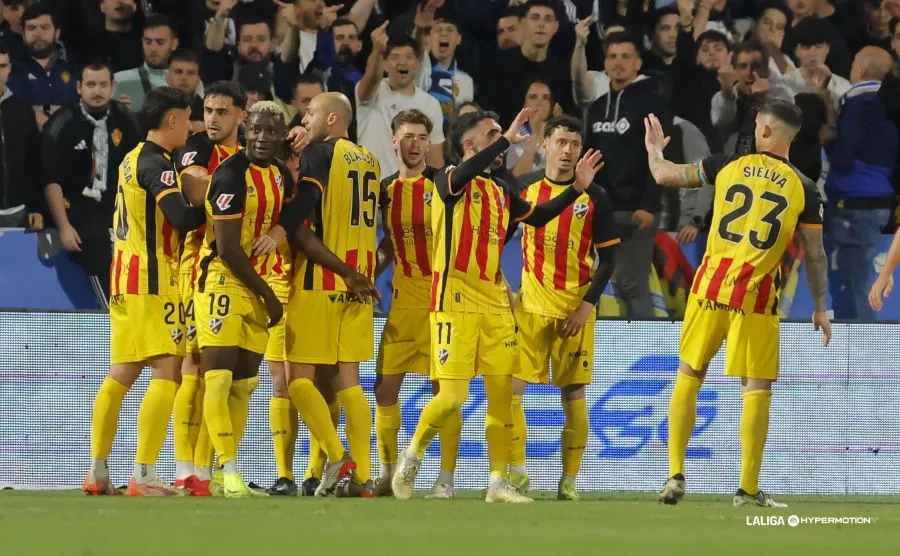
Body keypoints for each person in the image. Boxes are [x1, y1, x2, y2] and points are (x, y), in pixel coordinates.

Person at [390, 106, 600, 503]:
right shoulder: (447, 180)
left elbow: (538, 217)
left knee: (503, 396)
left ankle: (497, 482)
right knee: (452, 397)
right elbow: (469, 170)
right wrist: (506, 138)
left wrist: (576, 189)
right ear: (469, 144)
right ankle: (413, 452)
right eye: (491, 137)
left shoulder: (502, 190)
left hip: (496, 305)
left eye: (499, 137)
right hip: (453, 302)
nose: (502, 145)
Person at [644, 99, 830, 508]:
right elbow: (815, 254)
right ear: (790, 138)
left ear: (763, 130)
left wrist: (655, 150)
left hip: (709, 289)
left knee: (689, 374)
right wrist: (820, 306)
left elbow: (664, 174)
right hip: (757, 298)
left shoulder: (725, 165)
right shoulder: (806, 187)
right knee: (756, 387)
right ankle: (747, 489)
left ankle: (675, 473)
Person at [82, 86, 205, 497]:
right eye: (188, 117)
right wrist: (218, 201)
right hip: (153, 280)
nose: (191, 125)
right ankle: (144, 473)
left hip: (123, 278)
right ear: (172, 119)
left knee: (122, 373)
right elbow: (182, 219)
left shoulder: (132, 157)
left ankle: (98, 471)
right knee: (167, 371)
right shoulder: (158, 164)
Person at [277, 91, 382, 497]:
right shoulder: (370, 160)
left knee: (297, 379)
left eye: (312, 111)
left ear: (334, 119)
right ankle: (363, 478)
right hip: (357, 286)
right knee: (348, 384)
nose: (305, 117)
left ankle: (339, 458)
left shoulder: (320, 155)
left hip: (320, 280)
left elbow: (300, 224)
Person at [509, 115, 618, 501]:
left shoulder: (597, 199)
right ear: (545, 145)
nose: (569, 150)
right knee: (511, 390)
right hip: (532, 306)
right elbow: (496, 238)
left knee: (573, 393)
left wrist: (586, 308)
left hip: (575, 308)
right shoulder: (525, 189)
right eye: (561, 142)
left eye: (575, 143)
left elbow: (609, 260)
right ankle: (518, 472)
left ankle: (569, 479)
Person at [193, 100, 290, 498]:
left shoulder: (281, 174)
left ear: (283, 134)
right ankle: (229, 471)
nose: (263, 138)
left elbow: (295, 212)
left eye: (272, 131)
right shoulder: (230, 175)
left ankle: (218, 472)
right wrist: (268, 295)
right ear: (246, 128)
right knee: (216, 377)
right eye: (258, 129)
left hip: (255, 283)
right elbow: (229, 247)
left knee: (244, 384)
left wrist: (282, 229)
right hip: (222, 279)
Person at [371, 109, 459, 499]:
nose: (414, 144)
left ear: (429, 142)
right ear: (394, 141)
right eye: (407, 136)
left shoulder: (442, 184)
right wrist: (369, 272)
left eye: (422, 137)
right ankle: (388, 472)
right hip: (402, 302)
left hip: (441, 302)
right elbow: (390, 242)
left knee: (447, 390)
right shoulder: (384, 190)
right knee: (383, 390)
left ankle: (445, 479)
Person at [169, 80, 247, 496]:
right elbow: (195, 194)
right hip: (196, 266)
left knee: (227, 376)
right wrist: (232, 185)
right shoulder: (198, 149)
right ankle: (185, 470)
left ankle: (203, 470)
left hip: (238, 271)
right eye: (209, 111)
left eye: (222, 112)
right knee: (194, 369)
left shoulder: (248, 152)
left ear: (240, 115)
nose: (213, 119)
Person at [584, 32, 672, 318]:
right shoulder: (596, 108)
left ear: (638, 64)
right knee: (601, 285)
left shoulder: (652, 104)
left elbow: (660, 156)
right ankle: (606, 355)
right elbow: (590, 158)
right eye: (612, 56)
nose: (618, 62)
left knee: (632, 283)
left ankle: (642, 349)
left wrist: (649, 203)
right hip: (602, 209)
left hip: (637, 209)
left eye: (626, 56)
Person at [42, 62, 140, 300]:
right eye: (91, 84)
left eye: (103, 84)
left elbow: (139, 171)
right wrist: (64, 227)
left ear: (112, 87)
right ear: (79, 87)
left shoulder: (126, 119)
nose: (97, 91)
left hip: (117, 205)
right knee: (96, 244)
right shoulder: (62, 122)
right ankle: (108, 309)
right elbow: (50, 180)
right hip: (75, 206)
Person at [823, 46, 898, 320]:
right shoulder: (890, 104)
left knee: (854, 286)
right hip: (879, 203)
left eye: (853, 60)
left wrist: (828, 132)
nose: (851, 65)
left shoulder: (857, 102)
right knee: (859, 282)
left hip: (854, 207)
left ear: (861, 69)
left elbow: (843, 157)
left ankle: (862, 359)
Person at [357, 27, 445, 176]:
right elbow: (372, 78)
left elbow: (435, 159)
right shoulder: (372, 92)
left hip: (410, 192)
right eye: (395, 57)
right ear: (384, 63)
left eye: (409, 57)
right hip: (371, 189)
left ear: (417, 63)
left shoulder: (431, 104)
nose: (402, 62)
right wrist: (377, 50)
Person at [7, 2, 80, 130]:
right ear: (23, 35)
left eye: (44, 27)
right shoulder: (10, 71)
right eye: (31, 28)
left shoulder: (74, 68)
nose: (37, 33)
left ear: (57, 33)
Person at [0, 42, 42, 229]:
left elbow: (34, 162)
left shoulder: (23, 109)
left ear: (9, 68)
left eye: (2, 66)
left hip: (19, 211)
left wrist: (36, 207)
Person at [114, 15, 180, 112]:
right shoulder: (120, 80)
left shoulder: (188, 79)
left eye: (160, 42)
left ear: (174, 44)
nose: (153, 49)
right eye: (148, 42)